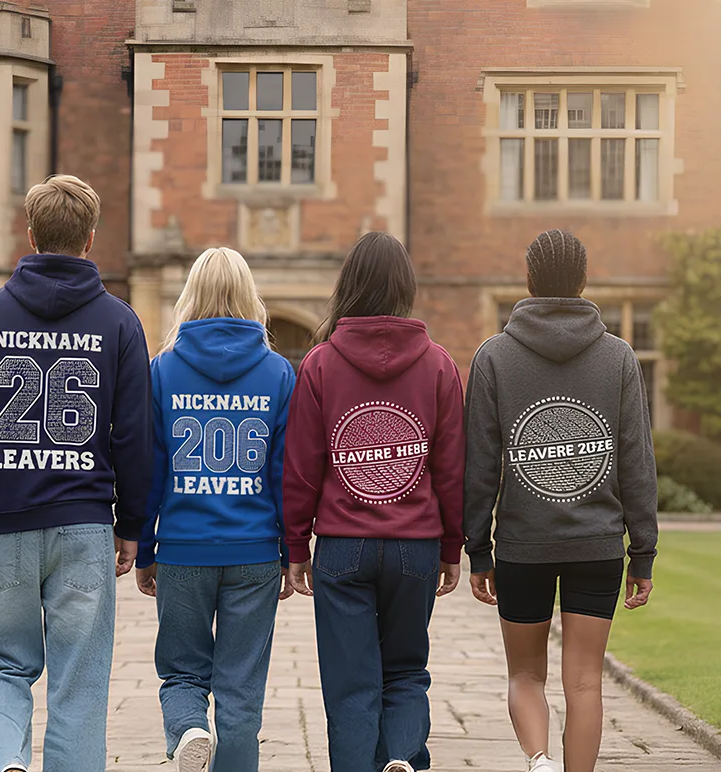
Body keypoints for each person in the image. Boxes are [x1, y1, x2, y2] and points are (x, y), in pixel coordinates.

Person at [0, 174, 153, 772]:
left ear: (30, 233)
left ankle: (7, 758)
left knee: (1, 665)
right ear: (90, 238)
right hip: (85, 525)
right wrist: (133, 524)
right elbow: (135, 436)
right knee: (80, 684)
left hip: (6, 521)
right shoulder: (120, 323)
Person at [463, 229, 658, 772]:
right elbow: (636, 461)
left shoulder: (494, 357)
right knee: (586, 682)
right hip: (597, 545)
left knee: (525, 675)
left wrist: (478, 549)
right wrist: (642, 551)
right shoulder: (619, 357)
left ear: (529, 280)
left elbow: (478, 465)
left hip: (523, 546)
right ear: (582, 281)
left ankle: (539, 759)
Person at [283, 232, 465, 772]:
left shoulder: (318, 365)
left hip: (342, 546)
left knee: (349, 683)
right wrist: (452, 548)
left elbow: (302, 466)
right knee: (407, 670)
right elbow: (451, 470)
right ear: (405, 286)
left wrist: (296, 545)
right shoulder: (439, 366)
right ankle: (403, 757)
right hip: (415, 546)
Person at [134, 247, 296, 772]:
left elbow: (151, 471)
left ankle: (189, 729)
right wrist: (293, 552)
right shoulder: (277, 372)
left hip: (184, 547)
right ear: (250, 296)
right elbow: (282, 476)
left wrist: (144, 549)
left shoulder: (164, 370)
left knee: (182, 673)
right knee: (242, 690)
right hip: (255, 552)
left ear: (190, 295)